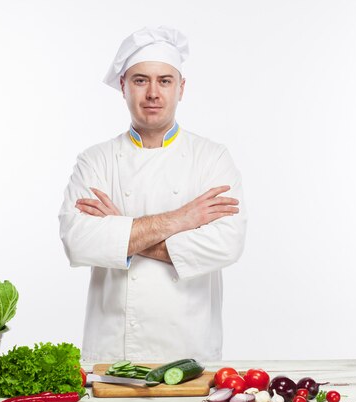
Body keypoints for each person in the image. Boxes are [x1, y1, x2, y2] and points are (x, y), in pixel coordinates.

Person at [59, 26, 247, 362]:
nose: (152, 93)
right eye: (140, 80)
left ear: (181, 88)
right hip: (113, 349)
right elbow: (78, 241)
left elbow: (227, 244)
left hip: (191, 347)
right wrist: (181, 219)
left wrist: (120, 231)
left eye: (164, 80)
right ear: (123, 87)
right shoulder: (95, 160)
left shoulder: (212, 158)